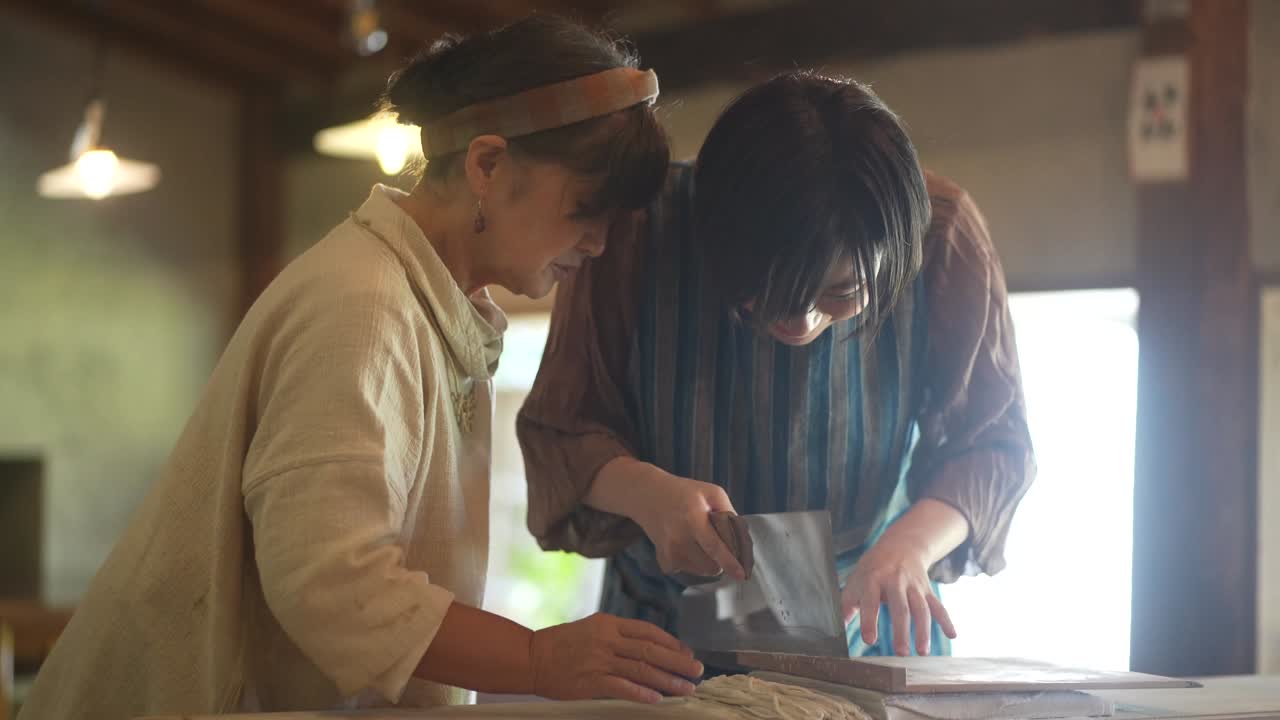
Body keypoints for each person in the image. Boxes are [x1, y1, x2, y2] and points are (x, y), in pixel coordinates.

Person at [21, 16, 703, 719]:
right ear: (488, 166)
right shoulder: (364, 305)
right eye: (586, 210)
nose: (596, 243)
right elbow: (332, 583)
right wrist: (537, 659)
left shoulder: (419, 299)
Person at [518, 71, 1036, 660]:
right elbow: (562, 429)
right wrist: (648, 495)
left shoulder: (941, 234)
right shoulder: (642, 228)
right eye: (762, 296)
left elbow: (993, 445)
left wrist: (908, 548)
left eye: (841, 294)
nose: (800, 325)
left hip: (865, 624)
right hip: (663, 632)